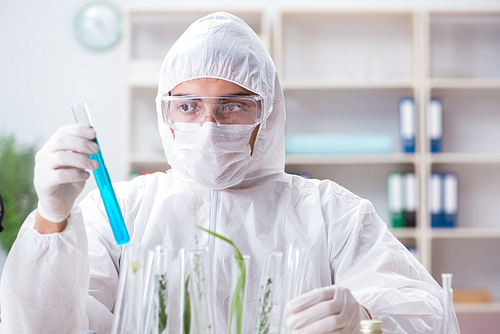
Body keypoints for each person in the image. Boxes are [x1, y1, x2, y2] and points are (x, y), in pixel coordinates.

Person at [0, 12, 459, 334]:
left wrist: (361, 314)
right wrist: (53, 218)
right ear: (166, 115)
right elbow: (44, 325)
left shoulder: (330, 210)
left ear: (270, 112)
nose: (208, 125)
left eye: (234, 105)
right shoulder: (120, 209)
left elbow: (427, 313)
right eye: (188, 105)